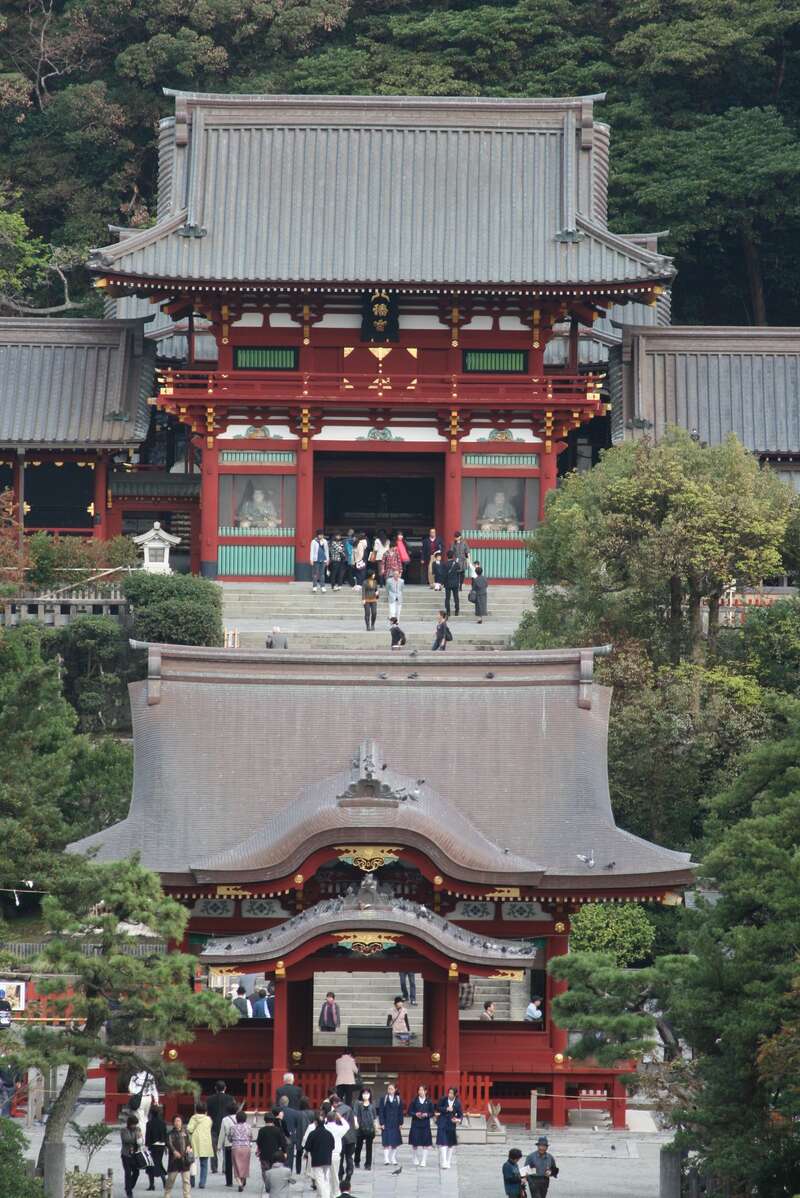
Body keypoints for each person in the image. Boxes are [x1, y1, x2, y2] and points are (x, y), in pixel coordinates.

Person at [206, 1081, 237, 1176]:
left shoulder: (209, 1099)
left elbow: (208, 1112)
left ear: (215, 1088)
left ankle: (214, 1167)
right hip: (226, 1124)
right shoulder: (230, 1098)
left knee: (213, 1148)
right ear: (225, 1088)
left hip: (214, 1125)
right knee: (226, 1147)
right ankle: (225, 1167)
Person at [303, 1111, 335, 1198]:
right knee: (326, 1178)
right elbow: (332, 1146)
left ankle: (325, 1196)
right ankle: (323, 1195)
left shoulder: (313, 1134)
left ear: (316, 1123)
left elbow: (307, 1147)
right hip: (327, 1159)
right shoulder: (329, 1134)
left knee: (319, 1179)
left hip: (317, 1160)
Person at [164, 1115, 192, 1198]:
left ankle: (187, 1194)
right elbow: (169, 1143)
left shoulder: (185, 1132)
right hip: (174, 1159)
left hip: (184, 1159)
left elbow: (189, 1143)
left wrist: (189, 1147)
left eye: (179, 1121)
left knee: (186, 1179)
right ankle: (167, 1193)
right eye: (176, 1121)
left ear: (181, 1122)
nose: (177, 1123)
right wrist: (174, 1151)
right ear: (173, 1122)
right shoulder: (170, 1134)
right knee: (171, 1179)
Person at [188, 1101, 214, 1189]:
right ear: (206, 1110)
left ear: (196, 1110)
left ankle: (192, 1181)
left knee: (192, 1162)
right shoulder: (208, 1119)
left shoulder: (193, 1118)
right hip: (205, 1141)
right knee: (204, 1163)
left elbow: (189, 1129)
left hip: (194, 1141)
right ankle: (202, 1182)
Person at [407, 1084, 434, 1167]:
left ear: (425, 1091)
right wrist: (415, 1114)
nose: (420, 1092)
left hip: (425, 1124)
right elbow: (409, 1112)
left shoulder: (429, 1101)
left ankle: (423, 1160)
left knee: (425, 1143)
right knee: (415, 1142)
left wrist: (427, 1114)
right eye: (419, 1090)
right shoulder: (414, 1101)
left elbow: (432, 1113)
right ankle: (415, 1157)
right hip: (416, 1124)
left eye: (422, 1090)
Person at [377, 1083, 404, 1166]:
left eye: (392, 1089)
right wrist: (381, 1123)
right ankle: (386, 1159)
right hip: (386, 1122)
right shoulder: (384, 1099)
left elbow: (400, 1112)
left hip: (395, 1123)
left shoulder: (399, 1099)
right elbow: (381, 1112)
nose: (390, 1090)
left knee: (395, 1142)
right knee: (386, 1141)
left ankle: (393, 1158)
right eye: (389, 1088)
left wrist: (401, 1123)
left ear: (395, 1089)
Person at [435, 1087, 462, 1169]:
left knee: (450, 1144)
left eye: (451, 1093)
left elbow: (460, 1114)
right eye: (449, 1092)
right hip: (442, 1122)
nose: (449, 1094)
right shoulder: (443, 1099)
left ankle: (448, 1161)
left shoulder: (457, 1103)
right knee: (443, 1143)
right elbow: (437, 1107)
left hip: (451, 1124)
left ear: (455, 1094)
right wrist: (446, 1109)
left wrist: (458, 1119)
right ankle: (443, 1161)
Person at [256, 1112, 288, 1178]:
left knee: (265, 1171)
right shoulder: (277, 1130)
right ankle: (273, 1184)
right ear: (273, 1120)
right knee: (274, 1171)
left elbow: (259, 1142)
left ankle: (267, 1185)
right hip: (275, 1154)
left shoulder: (261, 1130)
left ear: (265, 1120)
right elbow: (282, 1142)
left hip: (264, 1154)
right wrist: (284, 1152)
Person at [129, 1069, 159, 1138]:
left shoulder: (135, 1076)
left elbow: (131, 1089)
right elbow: (154, 1089)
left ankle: (142, 1137)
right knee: (145, 1117)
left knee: (140, 1119)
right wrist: (156, 1100)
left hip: (139, 1099)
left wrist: (135, 1092)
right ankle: (147, 1135)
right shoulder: (150, 1076)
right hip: (148, 1098)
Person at [145, 1103, 168, 1190]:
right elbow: (165, 1135)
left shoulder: (149, 1123)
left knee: (151, 1164)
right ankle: (164, 1181)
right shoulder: (163, 1123)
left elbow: (148, 1136)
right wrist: (165, 1145)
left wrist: (147, 1145)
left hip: (153, 1146)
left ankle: (152, 1184)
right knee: (158, 1162)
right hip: (161, 1146)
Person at [230, 1110, 253, 1192]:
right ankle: (243, 1181)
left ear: (237, 1118)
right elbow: (251, 1137)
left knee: (236, 1167)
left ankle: (239, 1183)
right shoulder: (249, 1127)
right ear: (245, 1118)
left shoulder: (233, 1127)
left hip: (236, 1148)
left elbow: (230, 1138)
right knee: (245, 1166)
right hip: (246, 1148)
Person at [354, 1087, 377, 1171]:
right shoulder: (358, 1103)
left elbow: (374, 1116)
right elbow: (355, 1114)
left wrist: (376, 1126)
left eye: (367, 1093)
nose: (365, 1095)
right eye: (364, 1093)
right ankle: (356, 1161)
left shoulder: (372, 1104)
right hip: (360, 1128)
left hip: (370, 1128)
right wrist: (356, 1122)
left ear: (370, 1094)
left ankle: (368, 1164)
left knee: (369, 1147)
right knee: (358, 1146)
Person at [120, 1114, 143, 1197]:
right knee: (128, 1173)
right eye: (133, 1124)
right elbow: (126, 1139)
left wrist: (139, 1138)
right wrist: (137, 1137)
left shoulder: (138, 1129)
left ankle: (129, 1186)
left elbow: (140, 1141)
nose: (134, 1126)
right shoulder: (124, 1130)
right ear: (129, 1123)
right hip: (126, 1154)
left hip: (135, 1155)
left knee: (136, 1172)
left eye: (135, 1124)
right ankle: (129, 1192)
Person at [294, 1097, 314, 1174]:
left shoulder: (297, 1113)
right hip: (309, 1135)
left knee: (299, 1154)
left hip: (299, 1134)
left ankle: (298, 1170)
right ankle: (307, 1170)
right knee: (309, 1153)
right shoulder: (312, 1113)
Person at [220, 1107, 239, 1188]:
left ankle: (229, 1182)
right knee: (238, 1163)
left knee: (228, 1164)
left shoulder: (225, 1119)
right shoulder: (240, 1117)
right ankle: (241, 1180)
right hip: (238, 1143)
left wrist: (219, 1145)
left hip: (228, 1143)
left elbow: (222, 1133)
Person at [443, 550, 461, 616]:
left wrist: (442, 583)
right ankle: (457, 611)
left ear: (447, 556)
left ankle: (448, 612)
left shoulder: (445, 564)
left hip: (447, 583)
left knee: (447, 598)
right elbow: (459, 572)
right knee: (456, 597)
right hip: (455, 583)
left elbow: (444, 574)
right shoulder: (456, 564)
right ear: (453, 556)